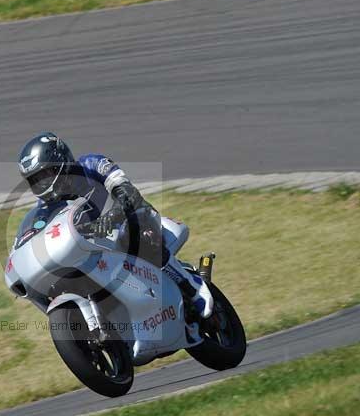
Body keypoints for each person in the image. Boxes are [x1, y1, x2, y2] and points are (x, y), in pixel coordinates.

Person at [17, 132, 213, 336]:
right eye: (35, 180)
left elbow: (127, 191)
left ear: (61, 163)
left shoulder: (92, 164)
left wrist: (112, 216)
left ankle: (191, 286)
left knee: (136, 232)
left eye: (45, 175)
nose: (42, 183)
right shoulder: (45, 207)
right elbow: (39, 234)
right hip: (98, 251)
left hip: (131, 222)